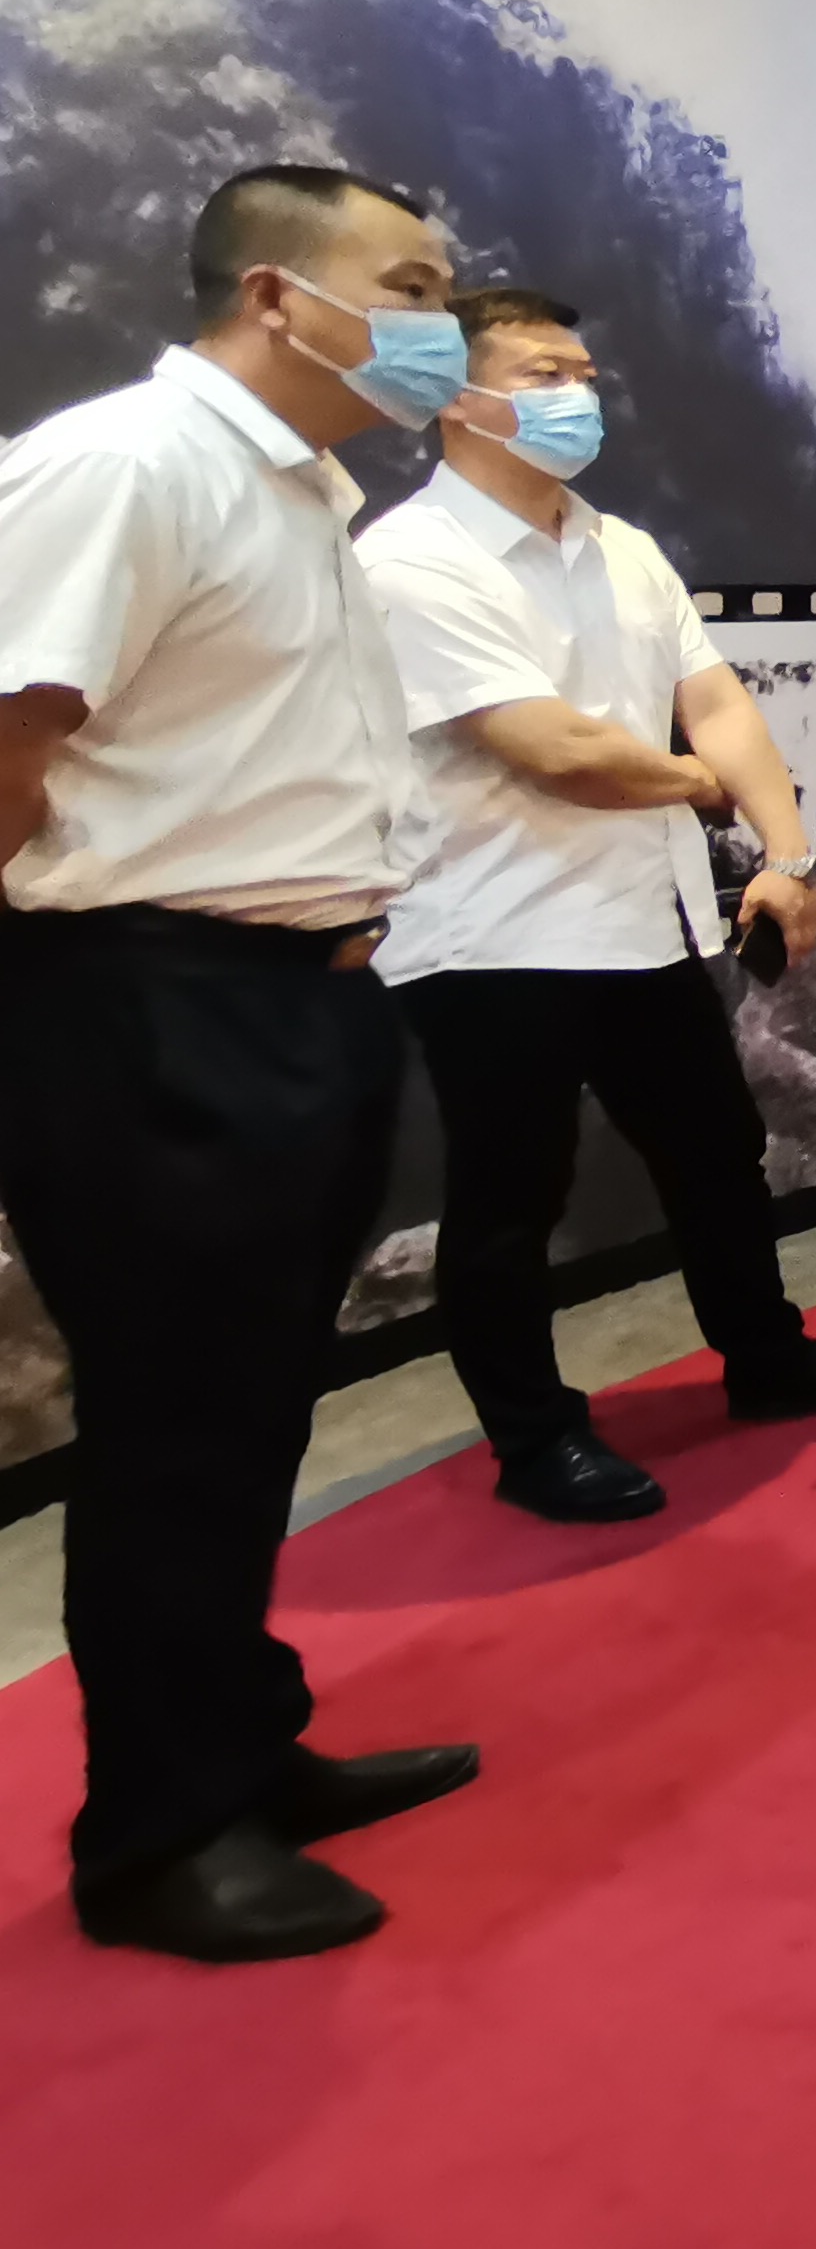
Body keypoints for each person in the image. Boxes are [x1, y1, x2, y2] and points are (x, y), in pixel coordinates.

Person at [0, 164, 482, 1962]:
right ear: (279, 294)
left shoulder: (300, 495)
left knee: (255, 1405)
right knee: (174, 1426)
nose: (441, 323)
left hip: (297, 992)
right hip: (148, 999)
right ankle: (160, 1836)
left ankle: (242, 1744)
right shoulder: (128, 465)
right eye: (409, 284)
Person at [358, 288, 816, 1527]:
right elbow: (560, 752)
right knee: (511, 1197)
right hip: (492, 935)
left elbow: (714, 700)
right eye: (542, 373)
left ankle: (767, 1359)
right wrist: (709, 789)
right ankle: (534, 1438)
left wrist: (787, 852)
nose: (577, 396)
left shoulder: (621, 546)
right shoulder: (408, 559)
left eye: (584, 373)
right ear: (457, 396)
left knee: (716, 1153)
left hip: (640, 919)